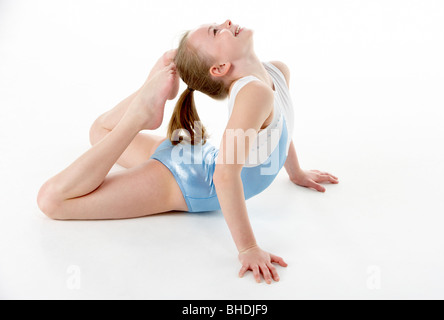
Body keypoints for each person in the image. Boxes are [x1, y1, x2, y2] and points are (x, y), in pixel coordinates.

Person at [37, 20, 339, 284]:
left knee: (98, 132)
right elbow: (224, 175)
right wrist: (248, 248)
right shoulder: (253, 93)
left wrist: (296, 172)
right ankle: (142, 111)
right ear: (220, 68)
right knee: (52, 201)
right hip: (184, 183)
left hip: (193, 157)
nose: (226, 22)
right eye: (215, 31)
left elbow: (279, 131)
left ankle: (146, 99)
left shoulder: (276, 72)